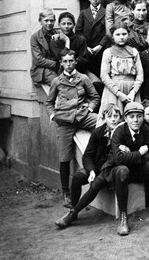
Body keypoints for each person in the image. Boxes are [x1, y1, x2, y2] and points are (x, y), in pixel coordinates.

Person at [102, 102, 149, 234]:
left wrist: (132, 158)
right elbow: (119, 159)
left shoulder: (146, 129)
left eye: (139, 116)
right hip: (121, 171)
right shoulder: (119, 132)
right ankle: (123, 217)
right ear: (125, 118)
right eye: (131, 116)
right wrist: (139, 153)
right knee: (122, 170)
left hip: (139, 169)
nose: (135, 120)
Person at [45, 49, 100, 207]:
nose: (68, 64)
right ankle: (66, 193)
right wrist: (53, 115)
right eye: (65, 62)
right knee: (64, 157)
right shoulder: (57, 81)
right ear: (61, 63)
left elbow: (94, 97)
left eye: (71, 61)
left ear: (75, 62)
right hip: (65, 120)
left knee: (102, 123)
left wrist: (89, 109)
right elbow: (49, 102)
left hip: (82, 116)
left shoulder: (83, 78)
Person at [54, 103, 121, 229]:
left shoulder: (122, 133)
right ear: (103, 118)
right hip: (96, 168)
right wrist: (91, 171)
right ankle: (73, 209)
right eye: (109, 116)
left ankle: (72, 214)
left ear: (120, 118)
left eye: (116, 116)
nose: (113, 119)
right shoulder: (98, 132)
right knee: (78, 177)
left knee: (95, 184)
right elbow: (87, 155)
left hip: (109, 170)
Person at [97, 21, 143, 118]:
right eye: (118, 34)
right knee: (113, 118)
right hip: (114, 91)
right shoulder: (108, 52)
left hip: (131, 90)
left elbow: (140, 75)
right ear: (112, 36)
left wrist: (133, 92)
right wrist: (118, 93)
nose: (121, 37)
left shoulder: (134, 52)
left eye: (124, 34)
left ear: (128, 34)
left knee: (132, 117)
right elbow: (104, 76)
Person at [49, 11, 102, 92]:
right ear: (59, 25)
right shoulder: (55, 42)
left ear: (74, 25)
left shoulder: (80, 39)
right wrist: (67, 41)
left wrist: (75, 63)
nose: (66, 26)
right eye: (63, 24)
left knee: (97, 84)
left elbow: (84, 61)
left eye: (69, 24)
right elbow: (63, 61)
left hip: (81, 71)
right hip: (64, 73)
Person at [76, 0, 109, 80]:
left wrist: (100, 46)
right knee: (89, 75)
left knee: (102, 75)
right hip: (87, 50)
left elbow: (109, 32)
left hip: (101, 50)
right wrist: (86, 47)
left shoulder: (106, 12)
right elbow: (78, 31)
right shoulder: (83, 13)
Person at [30, 8, 59, 87]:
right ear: (40, 21)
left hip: (58, 69)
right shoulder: (35, 37)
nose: (49, 23)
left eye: (51, 20)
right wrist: (57, 64)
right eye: (46, 21)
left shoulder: (59, 34)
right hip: (42, 70)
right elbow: (38, 60)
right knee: (59, 84)